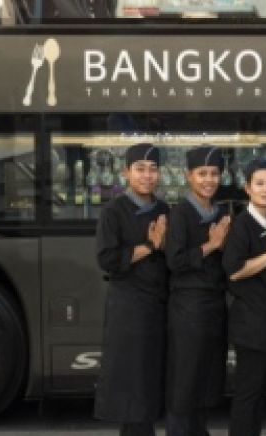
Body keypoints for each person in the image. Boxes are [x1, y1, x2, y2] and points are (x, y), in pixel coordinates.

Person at [94, 143, 169, 436]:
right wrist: (150, 245)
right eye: (140, 169)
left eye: (153, 169)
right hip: (129, 307)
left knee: (150, 380)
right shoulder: (113, 211)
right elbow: (108, 259)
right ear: (126, 172)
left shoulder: (163, 209)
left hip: (158, 305)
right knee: (132, 382)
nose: (147, 175)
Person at [163, 146, 231, 436]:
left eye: (214, 174)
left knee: (206, 378)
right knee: (185, 379)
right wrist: (212, 245)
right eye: (202, 174)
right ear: (188, 175)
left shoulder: (221, 212)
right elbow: (175, 261)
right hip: (188, 307)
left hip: (214, 304)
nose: (208, 180)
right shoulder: (180, 214)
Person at [222, 159, 266, 436]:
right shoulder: (242, 224)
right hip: (251, 325)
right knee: (247, 395)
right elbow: (234, 270)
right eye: (260, 184)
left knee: (261, 393)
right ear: (247, 188)